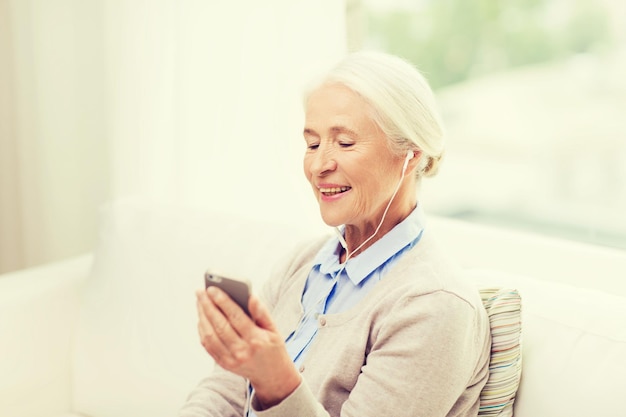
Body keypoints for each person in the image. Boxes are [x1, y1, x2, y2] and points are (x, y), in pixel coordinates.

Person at [179, 50, 491, 417]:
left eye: (344, 143)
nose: (318, 165)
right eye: (312, 144)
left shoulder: (435, 306)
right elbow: (224, 390)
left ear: (411, 154)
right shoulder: (305, 263)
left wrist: (276, 382)